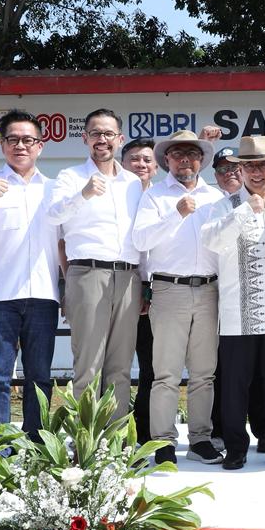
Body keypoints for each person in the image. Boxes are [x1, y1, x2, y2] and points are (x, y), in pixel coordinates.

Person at [199, 135, 265, 470]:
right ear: (240, 169)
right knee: (234, 385)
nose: (257, 172)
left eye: (264, 165)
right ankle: (237, 447)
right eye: (250, 166)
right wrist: (244, 210)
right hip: (237, 312)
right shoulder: (224, 205)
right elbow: (211, 241)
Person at [0, 110, 60, 436]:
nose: (20, 145)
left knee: (40, 377)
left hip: (44, 295)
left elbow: (63, 243)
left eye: (27, 140)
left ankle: (37, 446)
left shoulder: (53, 188)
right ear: (2, 144)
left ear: (40, 146)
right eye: (12, 139)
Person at [132, 129, 226, 465]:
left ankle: (201, 438)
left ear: (202, 160)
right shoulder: (155, 196)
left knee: (204, 373)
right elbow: (141, 240)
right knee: (166, 373)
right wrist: (177, 212)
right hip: (169, 289)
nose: (185, 159)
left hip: (210, 289)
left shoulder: (217, 197)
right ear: (167, 160)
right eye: (177, 153)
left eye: (192, 153)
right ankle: (162, 441)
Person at [47, 109, 144, 424]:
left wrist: (144, 282)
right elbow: (54, 217)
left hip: (129, 276)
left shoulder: (133, 182)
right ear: (85, 138)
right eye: (95, 133)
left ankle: (113, 442)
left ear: (120, 139)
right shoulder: (71, 177)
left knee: (120, 366)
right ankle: (85, 442)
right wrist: (83, 194)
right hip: (88, 273)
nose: (102, 140)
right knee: (89, 365)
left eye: (108, 134)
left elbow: (141, 234)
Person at [121, 137, 158, 441]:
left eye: (147, 159)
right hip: (119, 288)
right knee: (113, 367)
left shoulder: (163, 197)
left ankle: (144, 431)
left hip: (154, 294)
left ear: (157, 166)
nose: (141, 164)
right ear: (122, 164)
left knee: (151, 367)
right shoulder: (115, 197)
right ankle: (111, 430)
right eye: (134, 159)